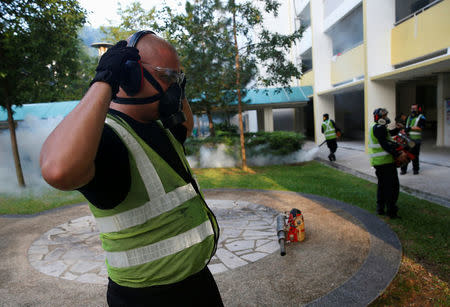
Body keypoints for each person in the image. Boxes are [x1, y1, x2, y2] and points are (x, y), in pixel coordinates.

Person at [40, 31, 223, 306]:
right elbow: (57, 170)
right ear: (130, 75)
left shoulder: (159, 126)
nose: (175, 88)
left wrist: (175, 83)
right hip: (148, 298)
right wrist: (104, 81)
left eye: (178, 80)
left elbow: (186, 124)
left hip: (196, 283)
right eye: (167, 77)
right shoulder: (108, 138)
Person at [368, 108, 408, 219]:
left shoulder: (375, 127)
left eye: (386, 115)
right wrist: (397, 154)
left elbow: (387, 135)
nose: (386, 118)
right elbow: (385, 144)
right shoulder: (379, 127)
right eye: (384, 116)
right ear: (379, 118)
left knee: (382, 185)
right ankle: (391, 211)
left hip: (379, 162)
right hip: (385, 162)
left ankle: (380, 208)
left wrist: (396, 130)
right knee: (392, 187)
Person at [400, 104, 426, 175]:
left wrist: (410, 128)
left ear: (418, 109)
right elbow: (406, 127)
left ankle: (415, 170)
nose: (413, 110)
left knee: (414, 155)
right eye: (412, 108)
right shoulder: (409, 117)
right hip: (407, 139)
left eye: (415, 108)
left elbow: (420, 128)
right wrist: (403, 129)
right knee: (404, 154)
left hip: (416, 139)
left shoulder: (421, 117)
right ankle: (403, 170)